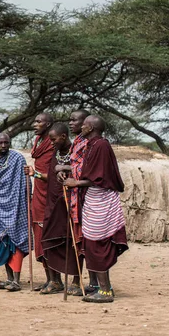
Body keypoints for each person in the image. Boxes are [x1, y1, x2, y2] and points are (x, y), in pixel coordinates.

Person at [64, 115, 128, 303]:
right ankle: (102, 287)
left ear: (91, 127)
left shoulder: (100, 145)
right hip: (93, 198)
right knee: (92, 243)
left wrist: (75, 182)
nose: (81, 127)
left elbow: (100, 177)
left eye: (84, 124)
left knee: (97, 243)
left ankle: (106, 291)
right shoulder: (92, 144)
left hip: (102, 199)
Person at [28, 122, 79, 294]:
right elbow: (49, 177)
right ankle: (55, 281)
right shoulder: (56, 153)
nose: (51, 143)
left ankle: (76, 281)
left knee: (73, 242)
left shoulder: (76, 151)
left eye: (53, 139)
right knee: (50, 239)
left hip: (70, 203)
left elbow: (83, 172)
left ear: (63, 137)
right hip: (52, 203)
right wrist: (35, 173)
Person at [55, 109, 98, 295]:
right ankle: (87, 282)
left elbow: (89, 170)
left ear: (86, 123)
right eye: (70, 120)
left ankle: (95, 283)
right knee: (80, 241)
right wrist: (64, 172)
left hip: (89, 198)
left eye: (75, 120)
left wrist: (65, 167)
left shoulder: (92, 143)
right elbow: (76, 167)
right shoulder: (78, 142)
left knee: (90, 241)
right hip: (75, 198)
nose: (71, 123)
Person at [0, 133, 29, 292]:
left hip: (16, 205)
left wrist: (26, 199)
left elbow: (25, 182)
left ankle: (16, 280)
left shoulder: (18, 159)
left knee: (15, 241)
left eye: (6, 142)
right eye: (0, 143)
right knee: (2, 241)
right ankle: (9, 278)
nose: (3, 145)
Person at [23, 113, 55, 290]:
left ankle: (56, 280)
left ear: (48, 124)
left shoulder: (53, 143)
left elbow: (55, 174)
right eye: (34, 120)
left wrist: (34, 174)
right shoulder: (38, 142)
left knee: (49, 236)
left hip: (50, 193)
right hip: (39, 192)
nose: (34, 124)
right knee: (40, 236)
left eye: (39, 121)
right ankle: (50, 279)